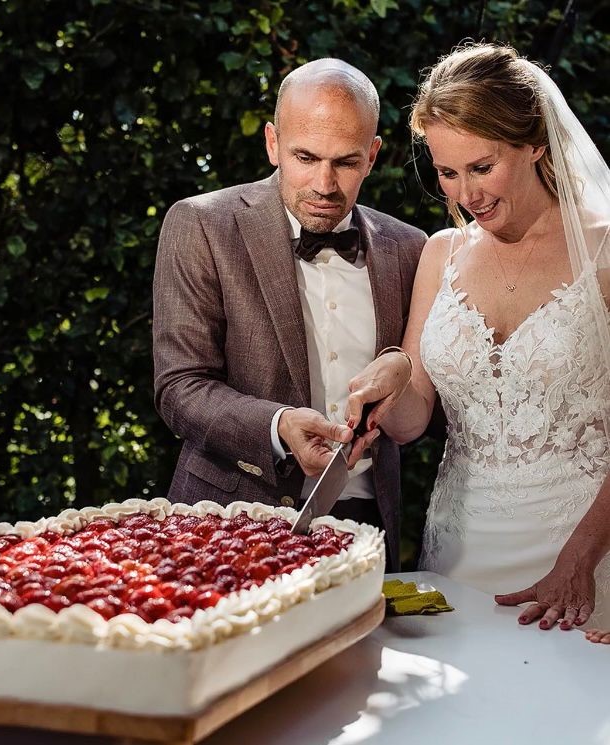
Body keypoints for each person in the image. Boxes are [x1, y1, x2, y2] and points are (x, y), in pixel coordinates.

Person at [347, 42, 610, 630]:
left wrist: (582, 558)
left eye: (482, 167)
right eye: (446, 172)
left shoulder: (605, 252)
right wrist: (392, 375)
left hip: (588, 556)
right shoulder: (442, 255)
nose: (466, 196)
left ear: (536, 142)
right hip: (461, 551)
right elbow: (413, 419)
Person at [152, 59, 427, 570]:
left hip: (368, 525)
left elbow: (423, 404)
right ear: (273, 143)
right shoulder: (202, 225)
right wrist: (277, 428)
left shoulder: (412, 249)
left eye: (345, 162)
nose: (324, 183)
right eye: (305, 157)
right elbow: (179, 386)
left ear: (372, 156)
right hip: (227, 522)